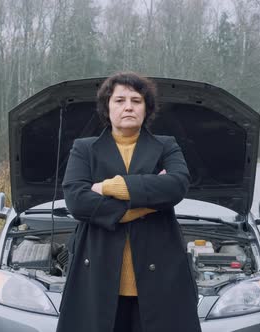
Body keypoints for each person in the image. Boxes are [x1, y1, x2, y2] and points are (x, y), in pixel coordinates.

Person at [56, 72, 202, 332]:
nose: (128, 107)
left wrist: (109, 187)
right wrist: (148, 202)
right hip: (97, 278)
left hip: (161, 279)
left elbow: (177, 185)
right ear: (107, 107)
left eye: (136, 100)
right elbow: (77, 201)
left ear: (147, 108)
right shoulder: (84, 148)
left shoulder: (166, 146)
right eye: (120, 100)